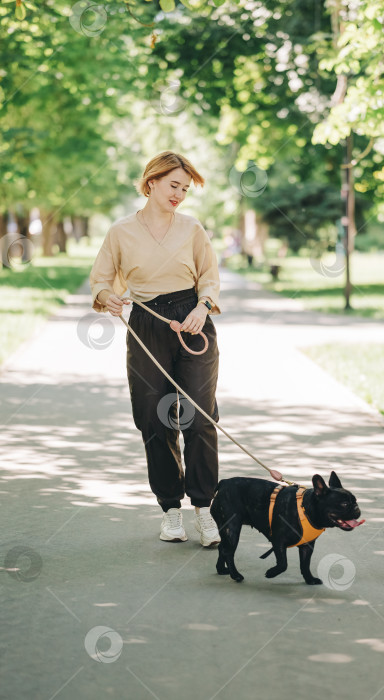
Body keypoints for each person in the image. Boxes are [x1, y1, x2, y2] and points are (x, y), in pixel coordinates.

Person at [89, 151, 221, 547]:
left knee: (199, 418)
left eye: (184, 188)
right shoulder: (121, 232)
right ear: (151, 183)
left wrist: (202, 307)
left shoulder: (193, 228)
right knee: (154, 419)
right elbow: (100, 280)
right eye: (173, 185)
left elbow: (209, 278)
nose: (179, 194)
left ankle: (205, 509)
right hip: (147, 323)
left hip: (192, 322)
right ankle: (170, 510)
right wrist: (106, 297)